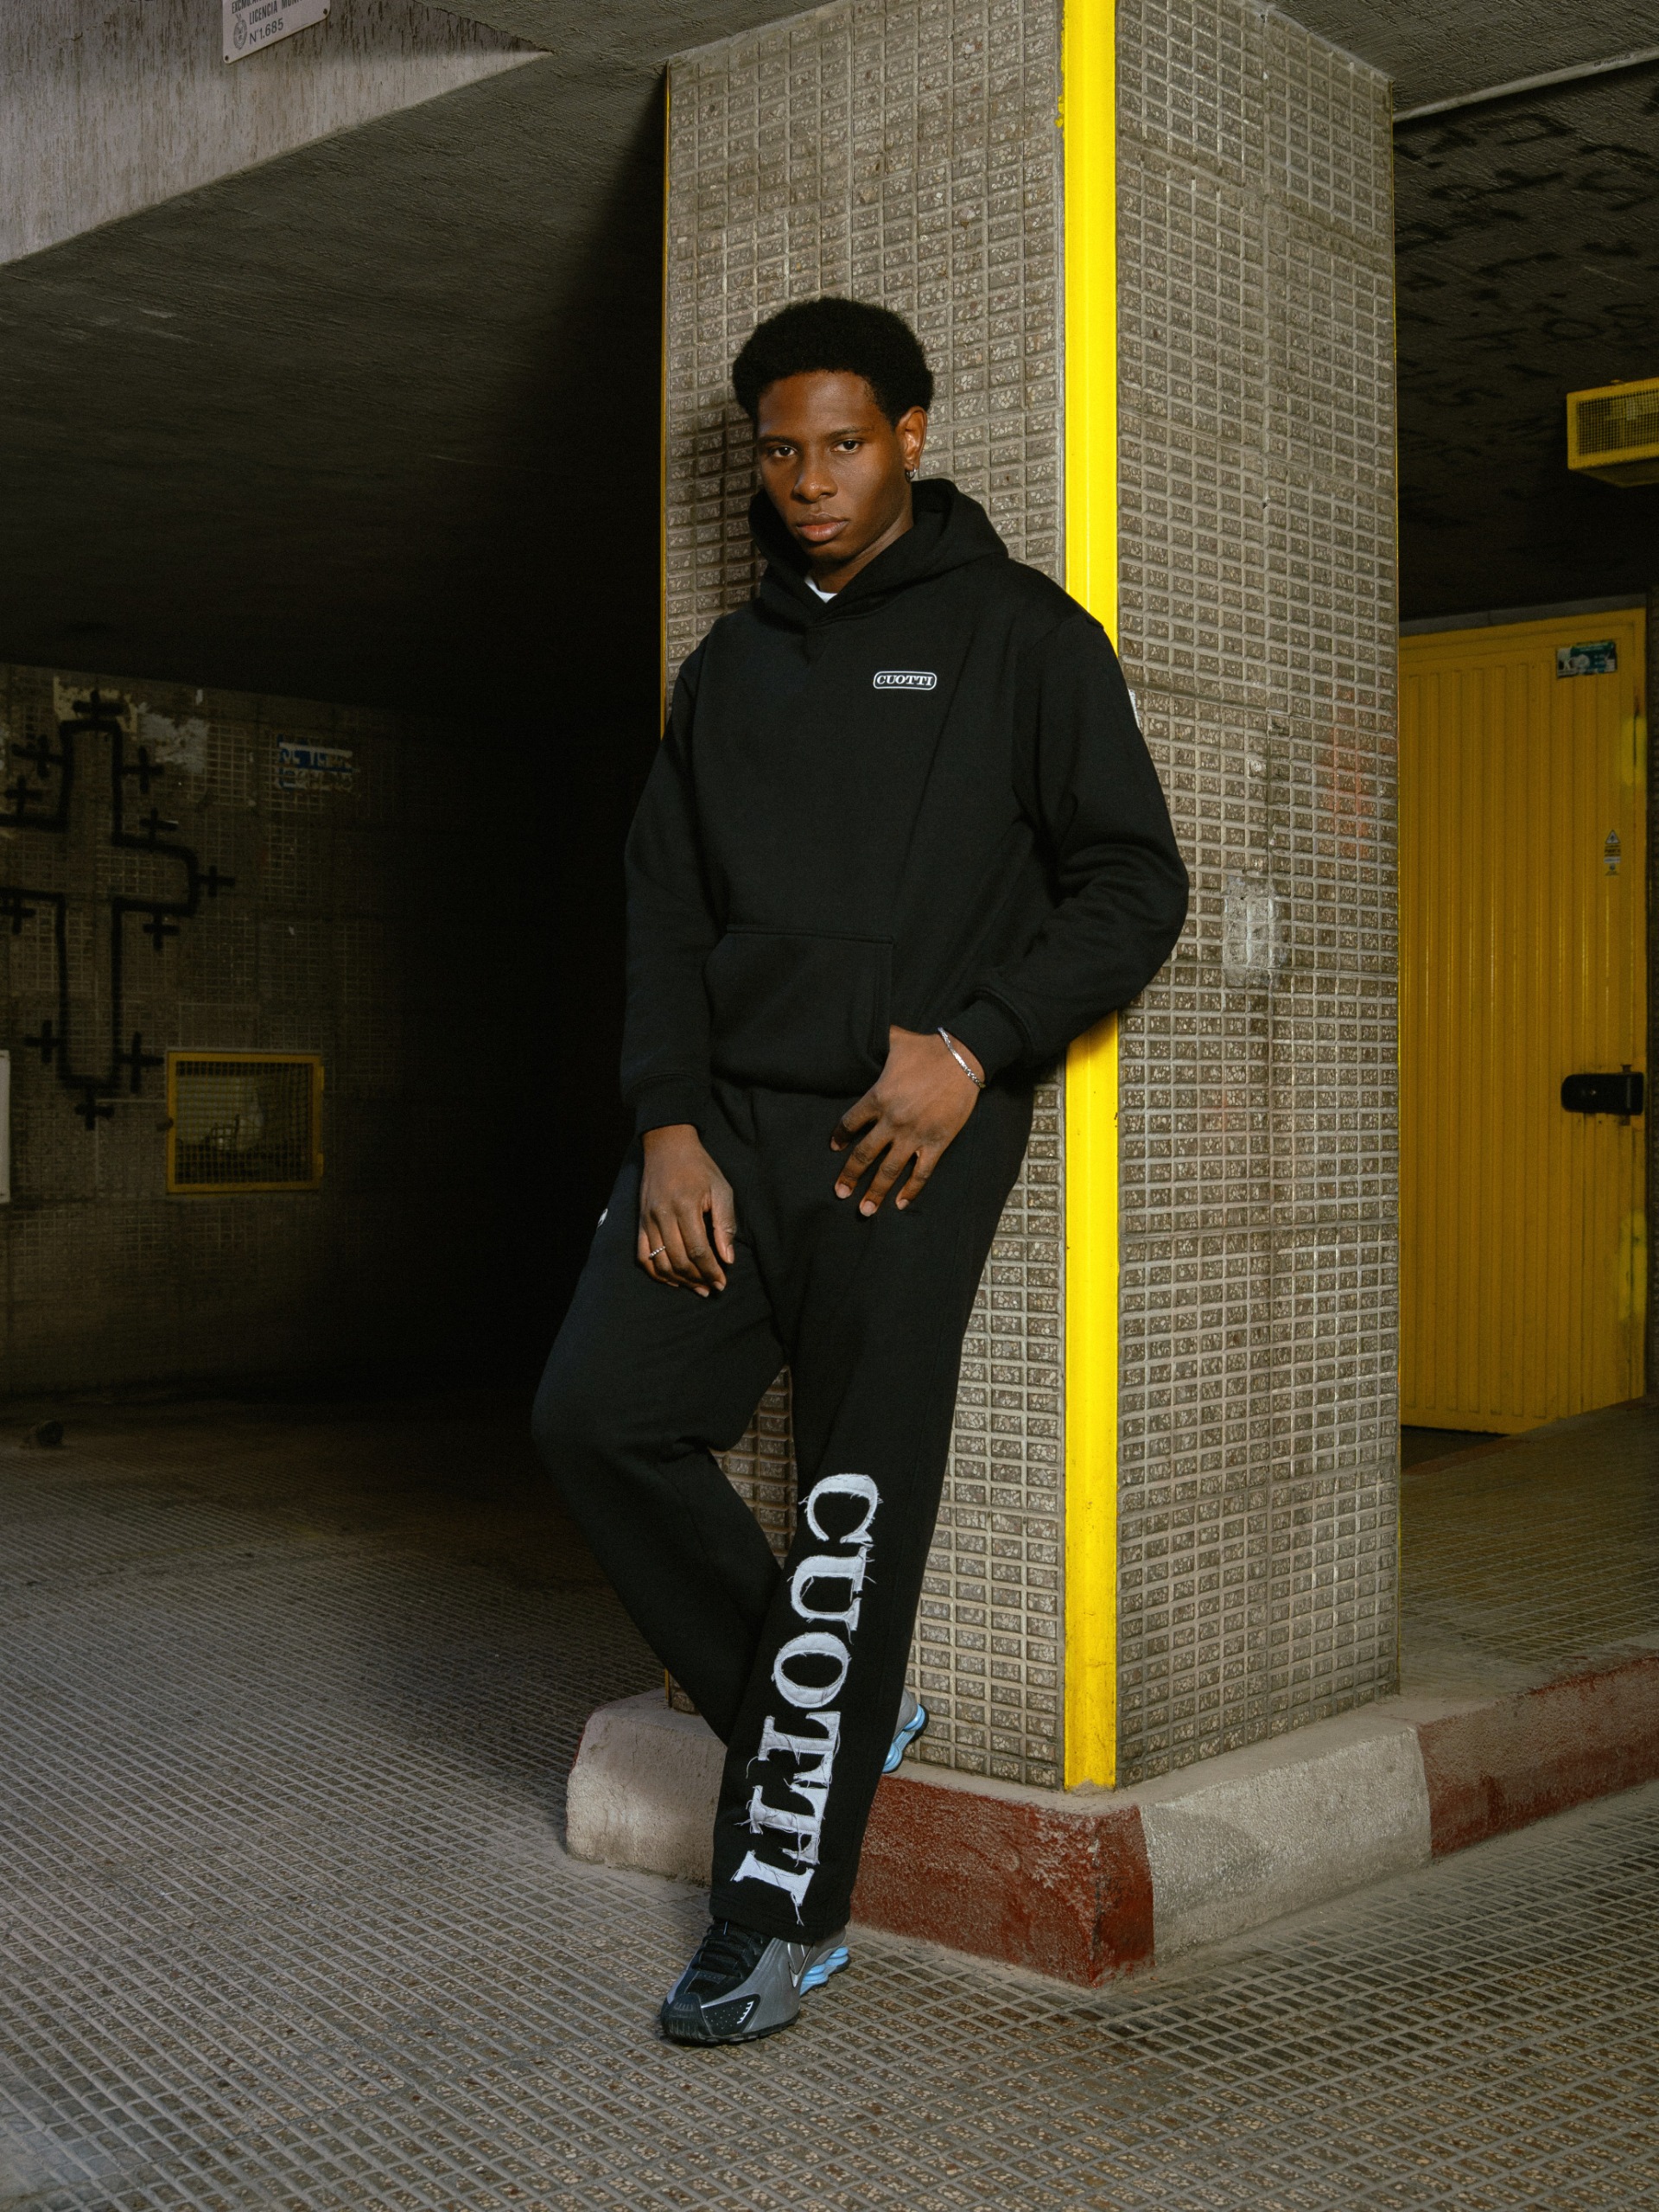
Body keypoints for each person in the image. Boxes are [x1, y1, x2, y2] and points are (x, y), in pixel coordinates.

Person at [533, 296, 1187, 2045]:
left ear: (910, 435)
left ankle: (776, 1919)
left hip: (905, 1141)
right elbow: (664, 912)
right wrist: (668, 1118)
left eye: (842, 443)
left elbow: (1135, 882)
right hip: (722, 1130)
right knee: (595, 1415)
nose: (810, 480)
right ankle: (828, 1707)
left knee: (847, 1512)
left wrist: (972, 1044)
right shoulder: (727, 667)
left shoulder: (1025, 639)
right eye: (781, 450)